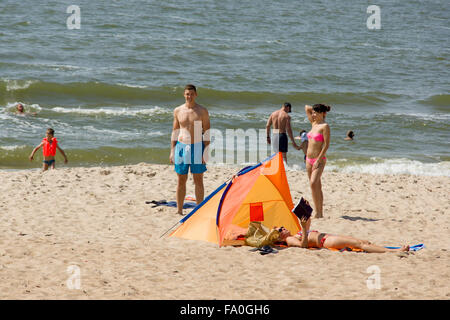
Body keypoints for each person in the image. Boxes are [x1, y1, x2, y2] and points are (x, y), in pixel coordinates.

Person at [169, 84, 210, 215]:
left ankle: (199, 210)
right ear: (184, 95)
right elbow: (175, 131)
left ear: (196, 95)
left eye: (192, 94)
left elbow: (207, 132)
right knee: (181, 180)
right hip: (181, 147)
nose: (189, 96)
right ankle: (179, 210)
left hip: (197, 147)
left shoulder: (202, 111)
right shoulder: (178, 110)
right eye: (187, 94)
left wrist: (206, 151)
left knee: (198, 179)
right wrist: (172, 150)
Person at [276, 217, 410, 253]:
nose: (283, 228)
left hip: (327, 237)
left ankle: (388, 249)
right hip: (325, 241)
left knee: (364, 241)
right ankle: (394, 251)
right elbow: (303, 245)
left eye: (282, 227)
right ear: (280, 237)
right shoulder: (289, 239)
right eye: (280, 230)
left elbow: (307, 230)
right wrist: (304, 228)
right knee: (360, 244)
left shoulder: (293, 234)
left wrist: (306, 217)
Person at [304, 104, 331, 218]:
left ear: (323, 113)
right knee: (316, 187)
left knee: (313, 183)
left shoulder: (325, 126)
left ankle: (318, 212)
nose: (313, 114)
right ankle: (319, 213)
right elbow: (306, 107)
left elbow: (326, 145)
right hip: (308, 160)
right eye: (313, 112)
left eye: (316, 113)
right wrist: (317, 108)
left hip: (319, 160)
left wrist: (318, 160)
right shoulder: (313, 123)